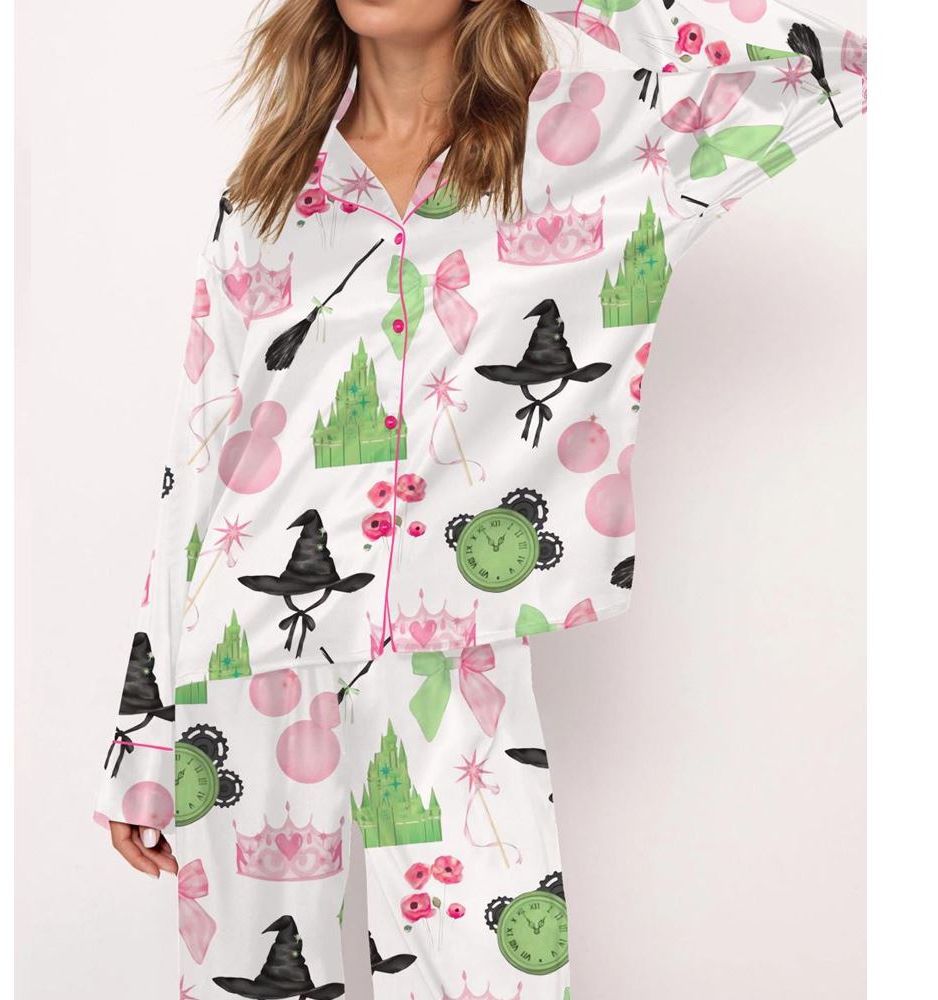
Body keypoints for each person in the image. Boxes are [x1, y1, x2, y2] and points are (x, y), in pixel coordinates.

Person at [94, 1, 866, 997]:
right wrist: (143, 732)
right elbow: (195, 462)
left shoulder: (599, 149)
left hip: (453, 651)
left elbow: (834, 65)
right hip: (245, 652)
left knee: (500, 977)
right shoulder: (267, 193)